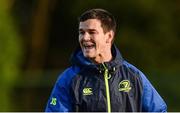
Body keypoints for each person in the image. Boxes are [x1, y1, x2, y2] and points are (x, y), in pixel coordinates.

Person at [45, 8, 167, 112]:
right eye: (81, 32)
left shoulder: (134, 76)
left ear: (109, 36)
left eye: (92, 32)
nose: (85, 38)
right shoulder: (68, 79)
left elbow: (159, 110)